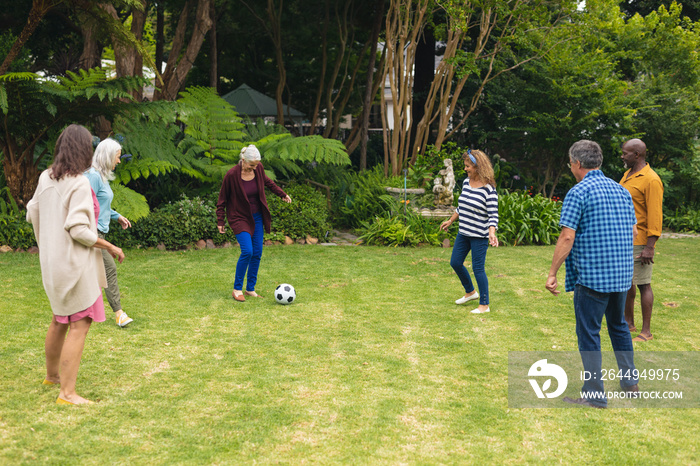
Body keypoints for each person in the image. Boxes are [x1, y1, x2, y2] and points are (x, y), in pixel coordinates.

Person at [26, 124, 125, 405]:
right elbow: (79, 230)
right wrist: (110, 245)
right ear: (84, 150)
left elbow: (32, 212)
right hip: (75, 266)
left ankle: (52, 376)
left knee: (59, 319)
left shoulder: (46, 177)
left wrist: (47, 244)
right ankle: (67, 393)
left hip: (52, 265)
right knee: (79, 324)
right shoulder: (79, 182)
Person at [546, 140, 638, 408]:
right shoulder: (621, 191)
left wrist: (552, 272)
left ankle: (595, 395)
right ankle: (630, 383)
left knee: (589, 333)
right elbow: (633, 233)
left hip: (593, 277)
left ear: (576, 163)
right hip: (621, 275)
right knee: (619, 326)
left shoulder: (579, 192)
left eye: (569, 163)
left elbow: (566, 237)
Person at [216, 145, 291, 301]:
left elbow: (268, 182)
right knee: (247, 251)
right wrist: (220, 220)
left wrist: (282, 194)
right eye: (252, 165)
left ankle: (250, 289)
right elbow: (222, 199)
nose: (255, 168)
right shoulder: (231, 175)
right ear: (243, 160)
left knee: (257, 253)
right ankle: (237, 289)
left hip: (256, 217)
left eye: (256, 165)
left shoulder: (258, 169)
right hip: (239, 217)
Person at [440, 149, 499, 314]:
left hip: (479, 235)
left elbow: (493, 214)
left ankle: (484, 304)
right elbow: (461, 206)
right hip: (463, 232)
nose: (465, 169)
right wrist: (450, 220)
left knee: (478, 268)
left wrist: (491, 233)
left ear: (478, 166)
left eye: (468, 166)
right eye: (465, 166)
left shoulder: (489, 189)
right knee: (455, 262)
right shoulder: (466, 182)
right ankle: (470, 292)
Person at [85, 138, 134, 327]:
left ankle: (82, 310)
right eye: (118, 157)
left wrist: (117, 216)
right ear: (107, 156)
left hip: (100, 232)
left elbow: (101, 205)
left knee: (93, 272)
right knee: (109, 270)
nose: (119, 161)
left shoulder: (101, 176)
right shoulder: (93, 176)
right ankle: (119, 313)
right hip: (92, 233)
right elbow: (87, 205)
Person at [619, 138, 664, 342]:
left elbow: (655, 215)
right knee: (628, 283)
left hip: (642, 240)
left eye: (625, 153)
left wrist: (650, 247)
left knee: (643, 284)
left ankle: (646, 332)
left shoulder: (651, 179)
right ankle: (628, 323)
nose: (622, 156)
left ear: (637, 155)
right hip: (626, 239)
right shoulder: (628, 175)